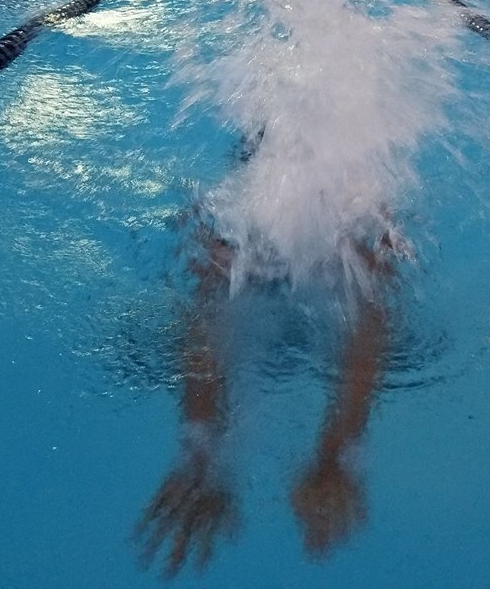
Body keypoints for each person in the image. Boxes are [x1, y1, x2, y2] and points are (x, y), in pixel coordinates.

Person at [135, 127, 401, 575]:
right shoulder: (232, 219)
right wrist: (200, 450)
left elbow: (370, 324)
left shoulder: (364, 221)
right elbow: (207, 320)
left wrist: (338, 448)